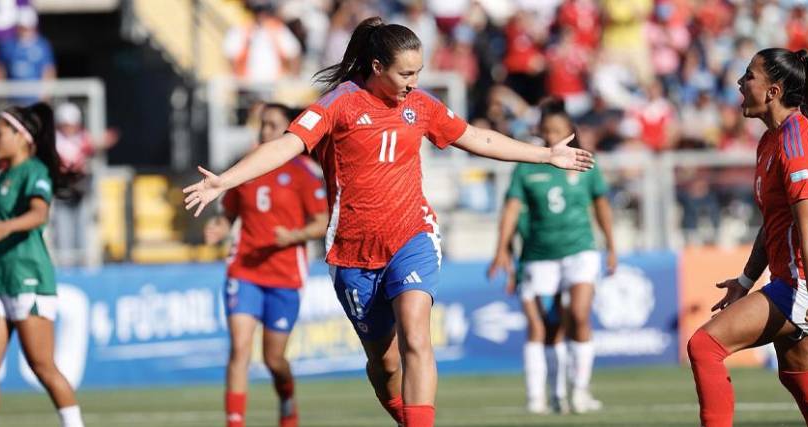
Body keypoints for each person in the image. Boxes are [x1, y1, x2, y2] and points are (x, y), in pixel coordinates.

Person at [182, 17, 594, 427]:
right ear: (377, 67)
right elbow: (286, 146)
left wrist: (544, 154)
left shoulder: (422, 105)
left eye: (419, 72)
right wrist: (225, 181)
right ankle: (403, 415)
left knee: (416, 334)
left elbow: (476, 137)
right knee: (385, 363)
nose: (414, 82)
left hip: (411, 236)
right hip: (353, 254)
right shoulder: (337, 103)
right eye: (406, 73)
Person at [687, 48, 808, 427]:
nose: (740, 84)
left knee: (704, 346)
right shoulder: (772, 140)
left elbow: (807, 232)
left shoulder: (797, 145)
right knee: (797, 375)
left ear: (773, 92)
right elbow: (773, 223)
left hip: (807, 285)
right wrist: (744, 281)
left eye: (749, 77)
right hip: (795, 282)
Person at [203, 103, 329, 427]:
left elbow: (321, 222)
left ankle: (286, 396)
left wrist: (294, 236)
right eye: (263, 124)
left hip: (285, 275)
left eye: (274, 126)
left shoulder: (304, 172)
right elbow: (229, 213)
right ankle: (235, 422)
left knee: (274, 359)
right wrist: (220, 225)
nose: (265, 131)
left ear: (289, 131)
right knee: (240, 349)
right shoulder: (245, 168)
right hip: (244, 269)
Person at [489, 100, 616, 415]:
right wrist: (501, 250)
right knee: (545, 326)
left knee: (581, 315)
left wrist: (611, 245)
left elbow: (601, 204)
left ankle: (580, 391)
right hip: (539, 255)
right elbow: (511, 209)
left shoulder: (585, 162)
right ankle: (545, 395)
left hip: (580, 249)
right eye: (546, 130)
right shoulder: (527, 165)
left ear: (569, 131)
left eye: (558, 130)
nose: (551, 136)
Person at [0, 103, 84, 427]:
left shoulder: (35, 171)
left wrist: (5, 228)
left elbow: (39, 213)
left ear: (22, 137)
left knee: (43, 366)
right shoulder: (3, 176)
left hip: (28, 277)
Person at [51, 102, 117, 266]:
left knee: (83, 231)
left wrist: (104, 140)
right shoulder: (54, 140)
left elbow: (93, 145)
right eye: (66, 124)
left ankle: (83, 265)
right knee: (63, 233)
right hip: (61, 195)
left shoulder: (82, 137)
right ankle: (65, 266)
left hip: (80, 192)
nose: (70, 128)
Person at [0, 7, 55, 103]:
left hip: (35, 99)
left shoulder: (42, 45)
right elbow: (0, 69)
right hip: (13, 99)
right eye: (22, 27)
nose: (25, 31)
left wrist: (45, 97)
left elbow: (49, 71)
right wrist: (2, 93)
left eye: (28, 28)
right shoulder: (8, 45)